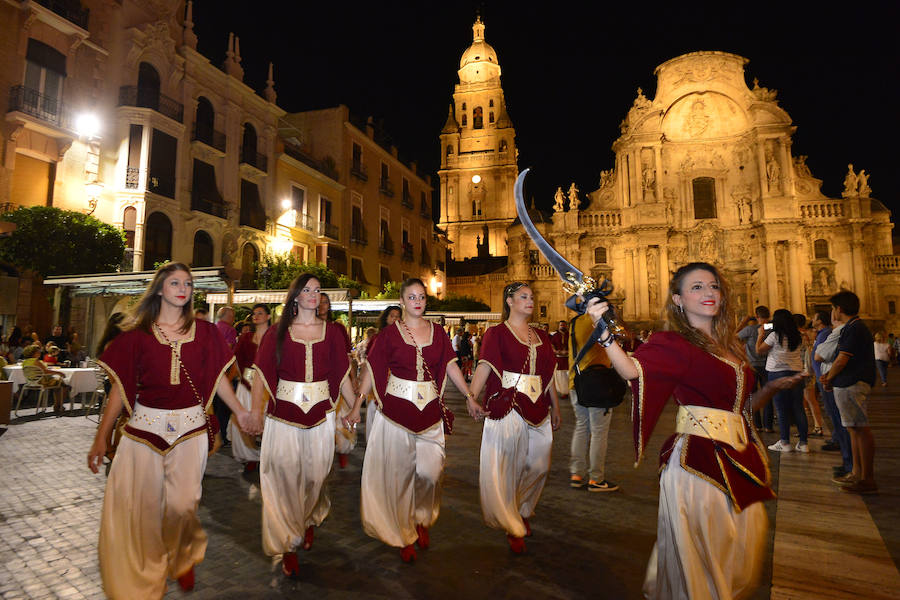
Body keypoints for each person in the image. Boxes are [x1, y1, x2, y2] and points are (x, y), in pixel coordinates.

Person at [587, 262, 801, 599]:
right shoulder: (671, 342)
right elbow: (631, 369)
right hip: (698, 463)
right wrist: (602, 328)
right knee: (704, 560)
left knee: (744, 549)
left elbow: (740, 410)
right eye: (697, 287)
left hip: (741, 457)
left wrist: (774, 388)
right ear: (678, 299)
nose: (709, 293)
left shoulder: (731, 348)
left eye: (714, 286)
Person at [86, 262, 257, 599]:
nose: (183, 288)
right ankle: (147, 576)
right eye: (175, 282)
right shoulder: (137, 335)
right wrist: (101, 436)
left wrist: (240, 412)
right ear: (160, 289)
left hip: (190, 430)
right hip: (143, 431)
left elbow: (219, 380)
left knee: (183, 505)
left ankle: (182, 554)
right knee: (143, 508)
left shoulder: (206, 333)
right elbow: (121, 389)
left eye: (188, 284)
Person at [349, 278, 474, 562]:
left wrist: (469, 395)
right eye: (412, 297)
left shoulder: (439, 333)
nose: (418, 301)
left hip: (429, 412)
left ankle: (422, 517)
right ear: (402, 301)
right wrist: (357, 405)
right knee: (401, 474)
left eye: (422, 297)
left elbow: (451, 366)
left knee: (430, 472)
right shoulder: (387, 336)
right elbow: (372, 369)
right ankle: (404, 533)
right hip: (395, 411)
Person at [246, 274, 356, 577]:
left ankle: (307, 518)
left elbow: (342, 373)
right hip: (283, 417)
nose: (313, 294)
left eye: (317, 290)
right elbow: (261, 374)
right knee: (285, 478)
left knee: (315, 477)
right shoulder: (276, 334)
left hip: (321, 416)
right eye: (306, 290)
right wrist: (255, 412)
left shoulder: (333, 332)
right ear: (295, 296)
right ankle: (288, 542)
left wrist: (355, 406)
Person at [468, 282, 561, 554]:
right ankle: (511, 522)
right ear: (509, 301)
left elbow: (549, 373)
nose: (530, 301)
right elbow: (485, 365)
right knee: (506, 465)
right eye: (523, 297)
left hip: (539, 405)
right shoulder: (496, 333)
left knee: (540, 464)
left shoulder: (542, 336)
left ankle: (522, 508)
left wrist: (555, 406)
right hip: (508, 404)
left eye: (531, 297)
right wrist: (471, 395)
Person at [820, 291, 878, 494]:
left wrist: (829, 377)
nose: (832, 312)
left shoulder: (854, 328)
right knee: (854, 429)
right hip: (848, 384)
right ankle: (857, 472)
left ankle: (867, 478)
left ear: (840, 309)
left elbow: (842, 359)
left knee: (860, 429)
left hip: (852, 383)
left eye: (833, 308)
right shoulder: (853, 328)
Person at [566, 312, 620, 493]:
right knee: (598, 432)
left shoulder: (575, 322)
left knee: (581, 427)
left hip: (576, 381)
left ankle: (576, 473)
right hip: (597, 383)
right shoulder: (600, 320)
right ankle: (596, 478)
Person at [756, 309, 808, 452]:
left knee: (781, 408)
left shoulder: (774, 335)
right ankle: (803, 443)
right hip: (796, 372)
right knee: (798, 407)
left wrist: (760, 335)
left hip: (777, 373)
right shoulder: (798, 335)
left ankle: (785, 442)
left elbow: (759, 350)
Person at [229, 304, 270, 472]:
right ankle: (250, 457)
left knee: (269, 424)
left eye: (260, 313)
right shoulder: (246, 338)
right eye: (254, 313)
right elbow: (236, 359)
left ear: (268, 316)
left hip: (268, 388)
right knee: (243, 422)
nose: (256, 316)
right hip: (246, 385)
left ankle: (269, 456)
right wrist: (241, 377)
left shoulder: (274, 337)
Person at [318, 293, 356, 468]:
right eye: (319, 301)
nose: (322, 305)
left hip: (338, 378)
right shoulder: (309, 327)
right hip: (318, 380)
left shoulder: (338, 329)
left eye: (325, 302)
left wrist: (353, 378)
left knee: (341, 417)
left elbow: (347, 357)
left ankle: (342, 451)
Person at [812, 311, 852, 477]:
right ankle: (845, 455)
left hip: (830, 380)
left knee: (839, 418)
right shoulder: (826, 333)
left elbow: (819, 355)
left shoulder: (831, 333)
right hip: (827, 379)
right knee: (835, 416)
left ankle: (849, 462)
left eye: (814, 318)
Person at [737, 306, 773, 432]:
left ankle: (757, 425)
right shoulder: (771, 328)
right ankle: (768, 425)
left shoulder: (750, 329)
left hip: (752, 365)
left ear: (757, 316)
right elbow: (768, 325)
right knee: (767, 395)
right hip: (767, 365)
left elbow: (734, 337)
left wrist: (743, 322)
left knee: (753, 395)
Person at [21, 343, 66, 413]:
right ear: (33, 353)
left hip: (30, 381)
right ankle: (58, 405)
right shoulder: (36, 361)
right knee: (62, 383)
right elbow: (45, 371)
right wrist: (59, 373)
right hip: (41, 381)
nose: (40, 353)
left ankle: (58, 405)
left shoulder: (25, 362)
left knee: (58, 383)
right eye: (38, 351)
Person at [550, 320, 569, 399]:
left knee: (568, 376)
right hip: (559, 359)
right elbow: (552, 345)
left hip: (568, 359)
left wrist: (568, 351)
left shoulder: (570, 335)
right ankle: (563, 392)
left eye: (564, 325)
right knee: (560, 377)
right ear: (559, 326)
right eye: (561, 325)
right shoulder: (555, 336)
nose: (562, 326)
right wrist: (556, 351)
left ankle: (568, 391)